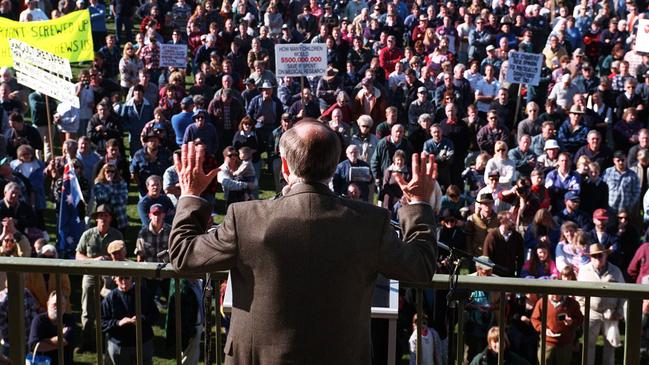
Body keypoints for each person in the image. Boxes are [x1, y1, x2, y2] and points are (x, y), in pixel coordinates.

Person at [168, 119, 438, 364]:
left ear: (284, 166)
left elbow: (184, 256)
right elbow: (421, 266)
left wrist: (191, 195)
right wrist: (419, 204)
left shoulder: (246, 218)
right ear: (334, 166)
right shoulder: (369, 222)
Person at [75, 204, 123, 353]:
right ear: (96, 218)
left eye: (106, 215)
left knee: (109, 311)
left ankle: (107, 342)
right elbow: (78, 255)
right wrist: (95, 260)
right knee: (87, 312)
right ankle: (86, 341)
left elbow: (122, 256)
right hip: (90, 275)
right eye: (100, 216)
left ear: (110, 218)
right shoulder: (88, 234)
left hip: (110, 277)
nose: (103, 218)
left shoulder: (117, 235)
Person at [577, 243, 626, 365]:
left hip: (611, 313)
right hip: (591, 312)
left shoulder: (615, 271)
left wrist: (619, 312)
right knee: (589, 344)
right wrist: (584, 310)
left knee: (610, 345)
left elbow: (624, 293)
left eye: (600, 256)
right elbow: (578, 294)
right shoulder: (584, 271)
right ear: (590, 257)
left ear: (606, 255)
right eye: (594, 256)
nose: (597, 258)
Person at [101, 276, 159, 365]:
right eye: (120, 279)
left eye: (127, 278)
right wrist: (118, 323)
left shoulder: (143, 293)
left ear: (132, 278)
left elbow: (155, 315)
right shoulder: (110, 298)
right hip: (120, 345)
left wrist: (142, 319)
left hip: (142, 342)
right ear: (115, 279)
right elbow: (102, 323)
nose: (124, 282)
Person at [530, 293, 583, 365]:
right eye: (552, 294)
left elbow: (580, 319)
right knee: (544, 361)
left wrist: (572, 322)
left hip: (565, 344)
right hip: (547, 343)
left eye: (557, 294)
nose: (554, 296)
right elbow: (534, 319)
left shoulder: (571, 303)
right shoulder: (542, 302)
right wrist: (543, 329)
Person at [28, 291, 76, 365]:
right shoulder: (39, 320)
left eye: (62, 304)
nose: (58, 307)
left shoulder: (69, 319)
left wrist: (44, 341)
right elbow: (34, 346)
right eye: (55, 304)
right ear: (48, 304)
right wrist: (61, 336)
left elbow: (66, 340)